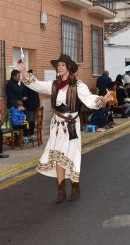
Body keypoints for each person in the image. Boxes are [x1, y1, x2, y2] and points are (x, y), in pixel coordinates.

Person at [18, 55, 112, 203]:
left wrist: (102, 100)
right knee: (58, 157)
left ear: (68, 68)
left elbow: (89, 99)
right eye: (58, 65)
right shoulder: (54, 84)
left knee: (72, 156)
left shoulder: (78, 85)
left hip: (71, 124)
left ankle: (75, 187)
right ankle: (61, 191)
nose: (60, 68)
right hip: (57, 125)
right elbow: (36, 84)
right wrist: (23, 71)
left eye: (62, 65)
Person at [23, 70, 40, 139]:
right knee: (28, 121)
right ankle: (26, 135)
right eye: (33, 75)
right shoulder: (26, 85)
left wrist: (37, 104)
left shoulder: (34, 84)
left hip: (35, 106)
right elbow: (25, 96)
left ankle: (32, 134)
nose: (34, 77)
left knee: (33, 121)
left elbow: (36, 95)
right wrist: (29, 102)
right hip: (29, 106)